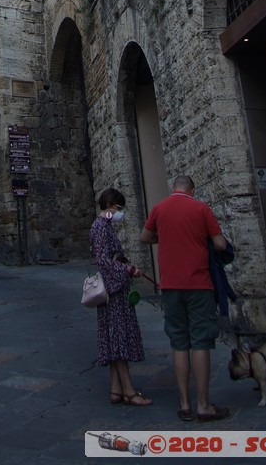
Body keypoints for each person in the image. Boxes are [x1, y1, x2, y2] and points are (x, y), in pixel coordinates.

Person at [140, 175, 231, 423]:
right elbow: (221, 244)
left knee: (179, 342)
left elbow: (145, 237)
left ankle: (184, 403)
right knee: (201, 342)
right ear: (192, 189)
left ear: (173, 188)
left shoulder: (159, 208)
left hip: (170, 286)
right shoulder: (201, 208)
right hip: (199, 285)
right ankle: (204, 405)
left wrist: (165, 238)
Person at [90, 188, 153, 408]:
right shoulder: (100, 227)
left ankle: (116, 388)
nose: (120, 212)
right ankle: (129, 391)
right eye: (119, 207)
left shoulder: (104, 226)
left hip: (114, 289)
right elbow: (104, 261)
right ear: (111, 206)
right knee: (119, 339)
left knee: (114, 338)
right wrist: (126, 269)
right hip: (113, 292)